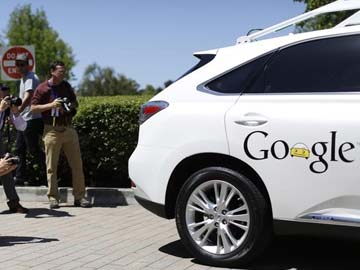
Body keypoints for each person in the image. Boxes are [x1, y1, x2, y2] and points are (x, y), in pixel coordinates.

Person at [31, 60, 91, 209]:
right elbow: (33, 108)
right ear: (52, 72)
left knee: (77, 165)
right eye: (60, 71)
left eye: (64, 72)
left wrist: (70, 105)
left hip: (68, 129)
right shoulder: (42, 88)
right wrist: (51, 105)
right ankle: (53, 198)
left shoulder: (66, 86)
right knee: (51, 167)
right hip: (51, 130)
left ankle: (80, 197)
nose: (63, 74)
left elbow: (75, 103)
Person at [14, 53, 46, 186]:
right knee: (19, 149)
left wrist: (18, 111)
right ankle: (20, 178)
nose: (20, 67)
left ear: (28, 65)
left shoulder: (30, 77)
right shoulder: (24, 78)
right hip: (25, 120)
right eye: (18, 65)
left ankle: (49, 176)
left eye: (23, 64)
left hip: (31, 119)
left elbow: (28, 97)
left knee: (33, 150)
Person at [0, 84, 28, 213]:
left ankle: (14, 203)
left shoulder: (6, 108)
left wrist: (15, 112)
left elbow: (22, 127)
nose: (5, 99)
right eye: (2, 95)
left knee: (6, 168)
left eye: (7, 96)